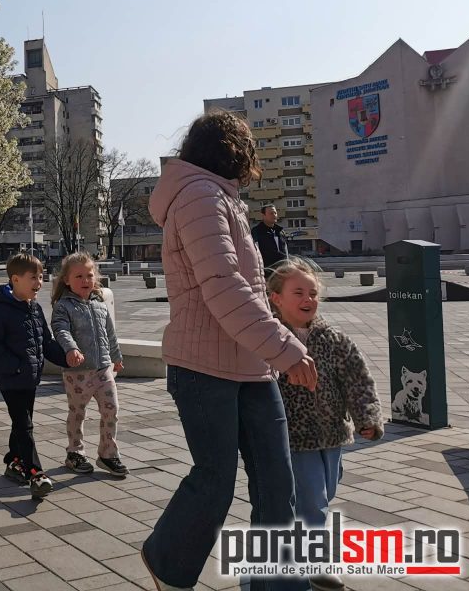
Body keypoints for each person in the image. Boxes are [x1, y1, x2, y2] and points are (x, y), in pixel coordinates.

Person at [140, 110, 317, 591]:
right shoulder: (198, 196)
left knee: (277, 484)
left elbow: (248, 288)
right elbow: (225, 287)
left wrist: (273, 350)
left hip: (251, 366)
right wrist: (285, 348)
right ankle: (166, 560)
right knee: (215, 481)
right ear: (233, 151)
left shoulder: (223, 198)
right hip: (203, 368)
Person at [269, 257, 383, 591]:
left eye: (313, 293)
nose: (308, 299)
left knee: (326, 492)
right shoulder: (271, 340)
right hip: (294, 437)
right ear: (276, 298)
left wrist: (367, 418)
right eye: (298, 292)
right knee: (313, 501)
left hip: (333, 435)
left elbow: (358, 381)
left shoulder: (334, 339)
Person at [0, 252, 71, 500]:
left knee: (22, 422)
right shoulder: (2, 309)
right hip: (11, 378)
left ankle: (14, 460)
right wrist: (15, 365)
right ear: (15, 280)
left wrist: (67, 358)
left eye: (41, 277)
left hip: (29, 377)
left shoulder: (34, 308)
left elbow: (46, 342)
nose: (39, 282)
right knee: (24, 424)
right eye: (33, 277)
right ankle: (35, 473)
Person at [50, 252, 128, 478]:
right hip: (78, 373)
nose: (85, 280)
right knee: (77, 413)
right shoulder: (63, 306)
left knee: (111, 410)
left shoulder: (99, 304)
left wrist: (116, 357)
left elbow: (110, 333)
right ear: (67, 280)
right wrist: (71, 349)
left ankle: (108, 453)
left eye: (89, 275)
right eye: (79, 276)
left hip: (103, 369)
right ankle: (75, 452)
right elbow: (60, 330)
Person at [251, 204, 290, 275]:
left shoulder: (280, 231)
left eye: (275, 213)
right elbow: (255, 254)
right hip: (266, 272)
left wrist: (288, 267)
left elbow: (286, 251)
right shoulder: (256, 231)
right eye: (271, 213)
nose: (274, 215)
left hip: (282, 272)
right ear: (263, 215)